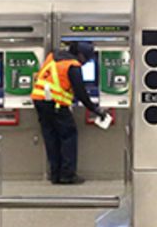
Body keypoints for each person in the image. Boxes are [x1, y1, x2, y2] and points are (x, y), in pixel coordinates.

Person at [31, 41, 109, 185]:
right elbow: (81, 92)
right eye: (87, 58)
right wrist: (95, 109)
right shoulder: (72, 65)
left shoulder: (53, 57)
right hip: (55, 104)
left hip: (39, 101)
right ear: (80, 55)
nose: (86, 62)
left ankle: (55, 174)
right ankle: (67, 175)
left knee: (51, 137)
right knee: (68, 136)